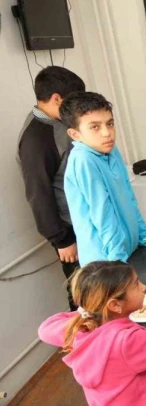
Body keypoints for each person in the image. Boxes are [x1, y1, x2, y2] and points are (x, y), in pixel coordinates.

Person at [38, 262, 146, 406]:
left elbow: (45, 329)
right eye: (136, 284)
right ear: (115, 305)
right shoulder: (128, 342)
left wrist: (90, 310)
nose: (144, 287)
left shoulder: (79, 330)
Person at [18, 66, 86, 310]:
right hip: (69, 231)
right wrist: (62, 240)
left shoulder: (57, 124)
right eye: (73, 101)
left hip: (82, 222)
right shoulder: (37, 138)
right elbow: (38, 194)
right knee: (83, 295)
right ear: (57, 99)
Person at [61, 92, 146, 266]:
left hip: (128, 252)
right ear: (75, 134)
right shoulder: (83, 160)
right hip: (107, 263)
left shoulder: (111, 150)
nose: (107, 133)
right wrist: (117, 263)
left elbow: (129, 198)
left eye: (110, 124)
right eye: (95, 127)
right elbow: (102, 213)